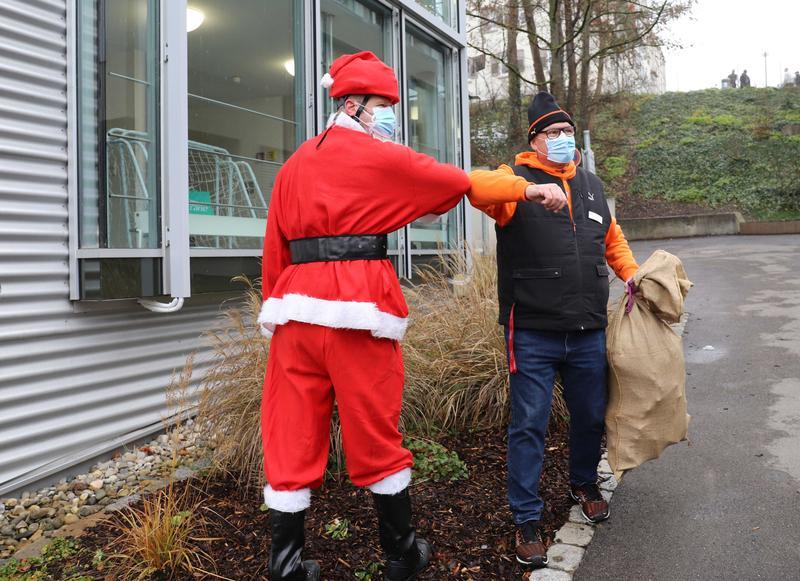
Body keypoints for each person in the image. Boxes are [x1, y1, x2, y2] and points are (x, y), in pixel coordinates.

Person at [258, 51, 470, 580]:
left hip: (295, 314)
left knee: (290, 432)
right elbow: (449, 184)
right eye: (384, 105)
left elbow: (273, 249)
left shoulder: (294, 164)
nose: (390, 115)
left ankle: (285, 565)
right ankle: (401, 555)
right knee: (374, 429)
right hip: (359, 310)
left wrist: (275, 312)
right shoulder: (380, 157)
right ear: (353, 104)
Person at [468, 92, 639, 569]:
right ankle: (526, 518)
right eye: (553, 134)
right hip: (533, 331)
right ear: (534, 141)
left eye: (567, 132)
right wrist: (526, 190)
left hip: (586, 329)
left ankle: (583, 482)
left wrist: (632, 276)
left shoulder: (590, 185)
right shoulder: (514, 180)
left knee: (589, 415)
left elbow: (612, 239)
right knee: (530, 425)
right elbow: (474, 187)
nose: (562, 140)